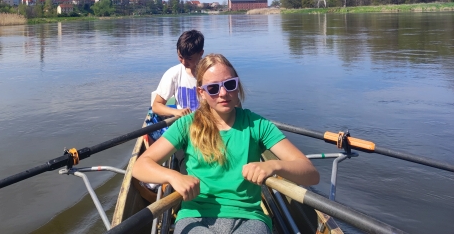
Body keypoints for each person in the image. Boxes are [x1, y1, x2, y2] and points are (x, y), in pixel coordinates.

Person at [134, 53, 320, 234]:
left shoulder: (257, 125)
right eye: (213, 88)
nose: (223, 93)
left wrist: (274, 165)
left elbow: (311, 175)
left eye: (230, 85)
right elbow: (140, 167)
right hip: (196, 217)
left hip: (248, 218)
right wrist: (173, 177)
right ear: (202, 93)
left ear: (237, 86)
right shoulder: (187, 124)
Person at [152, 30, 204, 118]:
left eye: (189, 58)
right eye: (180, 57)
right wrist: (176, 112)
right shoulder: (173, 74)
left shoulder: (211, 74)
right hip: (183, 123)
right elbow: (156, 106)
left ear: (200, 53)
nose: (184, 62)